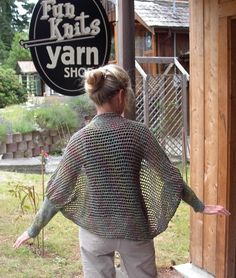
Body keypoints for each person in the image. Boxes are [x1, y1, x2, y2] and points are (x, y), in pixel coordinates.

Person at [14, 64, 230, 278]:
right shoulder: (139, 133)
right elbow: (170, 177)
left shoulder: (80, 139)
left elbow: (58, 191)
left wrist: (33, 229)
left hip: (95, 229)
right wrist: (199, 205)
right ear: (120, 95)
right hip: (133, 227)